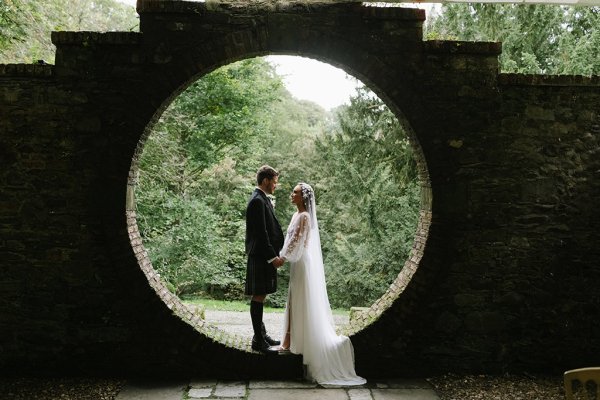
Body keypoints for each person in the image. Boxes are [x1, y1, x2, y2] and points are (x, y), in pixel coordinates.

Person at [276, 182, 367, 386]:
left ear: (304, 197)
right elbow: (288, 240)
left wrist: (282, 258)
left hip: (302, 263)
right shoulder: (295, 215)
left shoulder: (305, 217)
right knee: (293, 299)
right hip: (296, 263)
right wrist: (282, 254)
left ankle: (297, 342)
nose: (292, 195)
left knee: (301, 300)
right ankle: (289, 340)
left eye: (295, 193)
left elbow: (297, 242)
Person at [245, 165, 285, 353]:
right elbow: (261, 234)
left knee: (262, 294)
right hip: (261, 256)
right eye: (274, 182)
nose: (275, 186)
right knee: (259, 296)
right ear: (266, 180)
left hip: (264, 256)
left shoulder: (263, 199)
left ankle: (261, 335)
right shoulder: (257, 201)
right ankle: (258, 341)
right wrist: (272, 257)